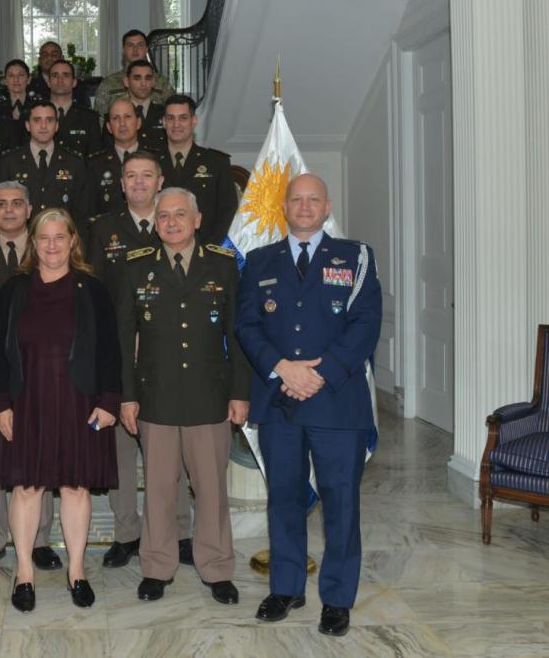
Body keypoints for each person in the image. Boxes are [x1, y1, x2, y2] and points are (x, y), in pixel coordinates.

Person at [234, 173, 381, 637]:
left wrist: (319, 374)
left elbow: (365, 324)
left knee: (341, 504)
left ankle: (336, 598)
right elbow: (247, 326)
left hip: (336, 403)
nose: (304, 206)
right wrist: (283, 368)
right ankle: (286, 587)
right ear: (284, 206)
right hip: (280, 403)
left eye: (313, 199)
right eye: (296, 199)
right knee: (283, 500)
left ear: (327, 205)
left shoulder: (355, 257)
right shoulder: (259, 261)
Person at [116, 188, 250, 605]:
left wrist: (240, 393)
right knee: (158, 489)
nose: (171, 222)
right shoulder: (136, 268)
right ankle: (157, 566)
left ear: (197, 219)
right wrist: (127, 396)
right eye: (163, 217)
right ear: (154, 224)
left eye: (180, 215)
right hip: (156, 396)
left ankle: (216, 567)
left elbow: (238, 334)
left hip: (210, 396)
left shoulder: (224, 266)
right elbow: (124, 340)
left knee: (211, 488)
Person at [0, 208, 121, 612]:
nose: (51, 245)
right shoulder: (14, 290)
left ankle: (76, 571)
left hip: (80, 403)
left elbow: (110, 351)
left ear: (72, 242)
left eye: (59, 237)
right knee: (27, 488)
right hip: (26, 402)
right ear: (33, 242)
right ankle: (24, 573)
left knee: (76, 487)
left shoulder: (92, 289)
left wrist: (109, 402)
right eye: (43, 238)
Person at [86, 152, 195, 569]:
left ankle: (180, 531)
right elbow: (94, 292)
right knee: (122, 450)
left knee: (174, 448)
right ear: (121, 183)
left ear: (160, 179)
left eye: (147, 175)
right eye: (131, 176)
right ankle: (127, 533)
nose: (139, 183)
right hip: (118, 353)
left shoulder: (176, 221)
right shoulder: (104, 229)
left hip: (170, 354)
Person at [0, 181, 63, 574]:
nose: (9, 210)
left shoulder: (49, 248)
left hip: (45, 377)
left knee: (44, 460)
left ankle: (40, 539)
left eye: (17, 204)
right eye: (1, 204)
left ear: (30, 209)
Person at [0, 101, 88, 237]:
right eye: (37, 120)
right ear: (28, 125)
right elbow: (1, 210)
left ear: (56, 126)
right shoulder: (9, 161)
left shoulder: (74, 162)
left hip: (61, 243)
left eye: (49, 120)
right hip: (23, 242)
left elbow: (82, 213)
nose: (43, 126)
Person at [157, 94, 239, 244]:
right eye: (170, 118)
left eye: (183, 118)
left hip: (205, 250)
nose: (176, 124)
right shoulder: (151, 162)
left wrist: (208, 248)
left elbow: (228, 210)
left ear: (193, 121)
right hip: (160, 250)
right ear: (163, 123)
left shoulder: (216, 162)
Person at [94, 29, 175, 120]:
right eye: (130, 45)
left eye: (140, 45)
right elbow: (99, 118)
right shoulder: (109, 83)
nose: (135, 50)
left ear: (146, 49)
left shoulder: (161, 82)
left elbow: (173, 114)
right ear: (123, 50)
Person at [88, 98, 147, 219]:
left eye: (127, 117)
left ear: (138, 123)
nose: (122, 123)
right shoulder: (94, 164)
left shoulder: (154, 160)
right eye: (116, 118)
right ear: (109, 127)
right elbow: (89, 211)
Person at [48, 59, 102, 158]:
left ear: (74, 82)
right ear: (49, 82)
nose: (60, 80)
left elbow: (95, 159)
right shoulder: (35, 114)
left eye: (65, 75)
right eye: (55, 75)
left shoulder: (89, 118)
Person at [123, 60, 168, 150]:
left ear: (153, 82)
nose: (143, 83)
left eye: (148, 78)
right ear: (126, 82)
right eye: (137, 78)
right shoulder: (116, 116)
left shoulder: (165, 114)